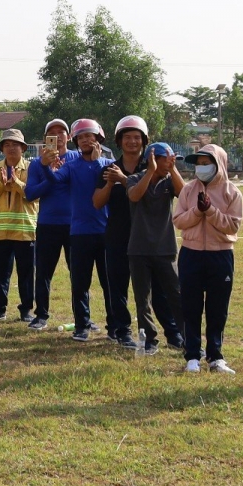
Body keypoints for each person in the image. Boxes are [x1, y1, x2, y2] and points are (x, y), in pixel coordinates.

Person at [174, 144, 242, 374]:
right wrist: (197, 211)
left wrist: (211, 211)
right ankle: (192, 355)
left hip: (220, 254)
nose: (201, 168)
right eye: (199, 164)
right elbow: (179, 221)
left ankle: (216, 356)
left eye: (207, 163)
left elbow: (232, 225)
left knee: (217, 307)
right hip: (190, 253)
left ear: (219, 164)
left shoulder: (232, 192)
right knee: (190, 306)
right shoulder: (188, 190)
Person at [51, 118, 111, 341]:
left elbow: (106, 183)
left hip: (106, 232)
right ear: (76, 141)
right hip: (79, 233)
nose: (86, 140)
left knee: (109, 283)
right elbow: (55, 181)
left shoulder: (108, 165)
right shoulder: (71, 166)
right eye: (82, 137)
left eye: (90, 136)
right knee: (80, 283)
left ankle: (114, 326)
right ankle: (82, 326)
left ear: (98, 139)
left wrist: (96, 163)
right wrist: (48, 166)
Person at [126, 138, 183, 354]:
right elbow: (134, 195)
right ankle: (149, 340)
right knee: (143, 299)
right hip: (138, 249)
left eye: (171, 160)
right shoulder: (135, 178)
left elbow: (184, 193)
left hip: (165, 248)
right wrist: (150, 171)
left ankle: (187, 339)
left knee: (177, 296)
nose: (169, 163)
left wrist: (172, 168)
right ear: (152, 159)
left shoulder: (170, 181)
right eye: (165, 159)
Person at [99, 116, 149, 348]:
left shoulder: (151, 167)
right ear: (119, 141)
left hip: (147, 236)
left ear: (144, 141)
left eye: (136, 137)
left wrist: (124, 179)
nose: (132, 142)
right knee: (117, 285)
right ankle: (123, 331)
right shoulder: (109, 169)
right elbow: (97, 203)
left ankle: (160, 332)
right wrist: (111, 183)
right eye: (127, 137)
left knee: (151, 288)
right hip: (117, 235)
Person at [0, 129, 36, 322]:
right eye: (7, 145)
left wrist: (17, 183)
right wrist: (1, 186)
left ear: (23, 148)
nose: (11, 148)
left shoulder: (32, 168)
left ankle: (26, 310)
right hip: (0, 231)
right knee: (0, 273)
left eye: (15, 145)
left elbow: (34, 194)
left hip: (25, 230)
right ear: (2, 149)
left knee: (27, 273)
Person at [24, 119, 74, 329]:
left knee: (79, 274)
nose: (57, 136)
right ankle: (41, 315)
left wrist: (57, 174)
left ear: (69, 137)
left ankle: (84, 318)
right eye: (51, 133)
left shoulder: (77, 159)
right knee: (43, 272)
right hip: (47, 224)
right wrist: (48, 173)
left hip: (75, 226)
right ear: (46, 140)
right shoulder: (37, 164)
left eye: (61, 132)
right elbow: (30, 194)